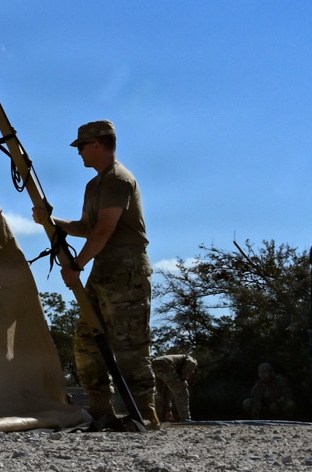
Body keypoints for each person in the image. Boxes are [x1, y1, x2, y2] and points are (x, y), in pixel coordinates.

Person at [33, 119, 157, 428]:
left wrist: (76, 266)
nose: (79, 153)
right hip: (104, 269)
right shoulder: (96, 184)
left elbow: (104, 230)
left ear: (98, 145)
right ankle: (102, 411)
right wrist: (52, 222)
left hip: (126, 270)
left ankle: (145, 414)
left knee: (130, 345)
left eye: (82, 147)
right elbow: (87, 228)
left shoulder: (118, 179)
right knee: (87, 342)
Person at [152, 352, 199, 424]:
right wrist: (184, 378)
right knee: (182, 391)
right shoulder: (190, 359)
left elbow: (167, 392)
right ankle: (186, 419)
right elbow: (190, 362)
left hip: (154, 364)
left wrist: (168, 410)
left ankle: (158, 420)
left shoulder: (175, 368)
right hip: (165, 364)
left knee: (160, 393)